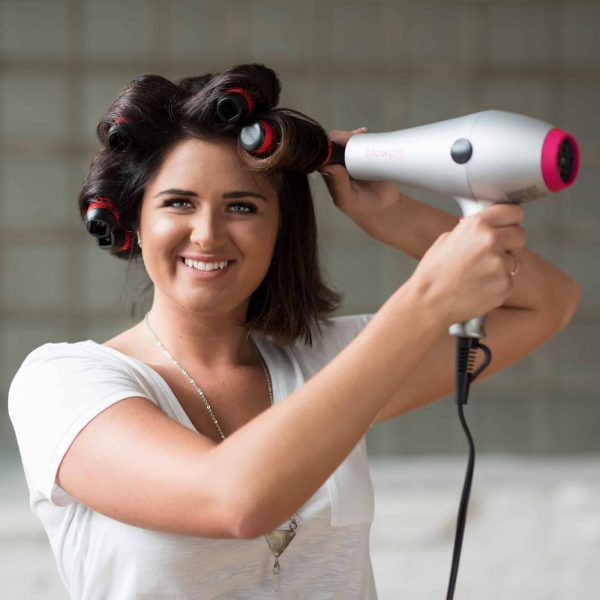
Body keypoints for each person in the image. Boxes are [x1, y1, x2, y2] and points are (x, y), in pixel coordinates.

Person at [8, 63, 580, 599]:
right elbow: (235, 500)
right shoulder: (63, 385)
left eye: (242, 207)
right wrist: (428, 298)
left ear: (283, 228)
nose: (207, 235)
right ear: (134, 219)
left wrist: (390, 214)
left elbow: (544, 304)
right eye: (179, 203)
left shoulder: (322, 361)